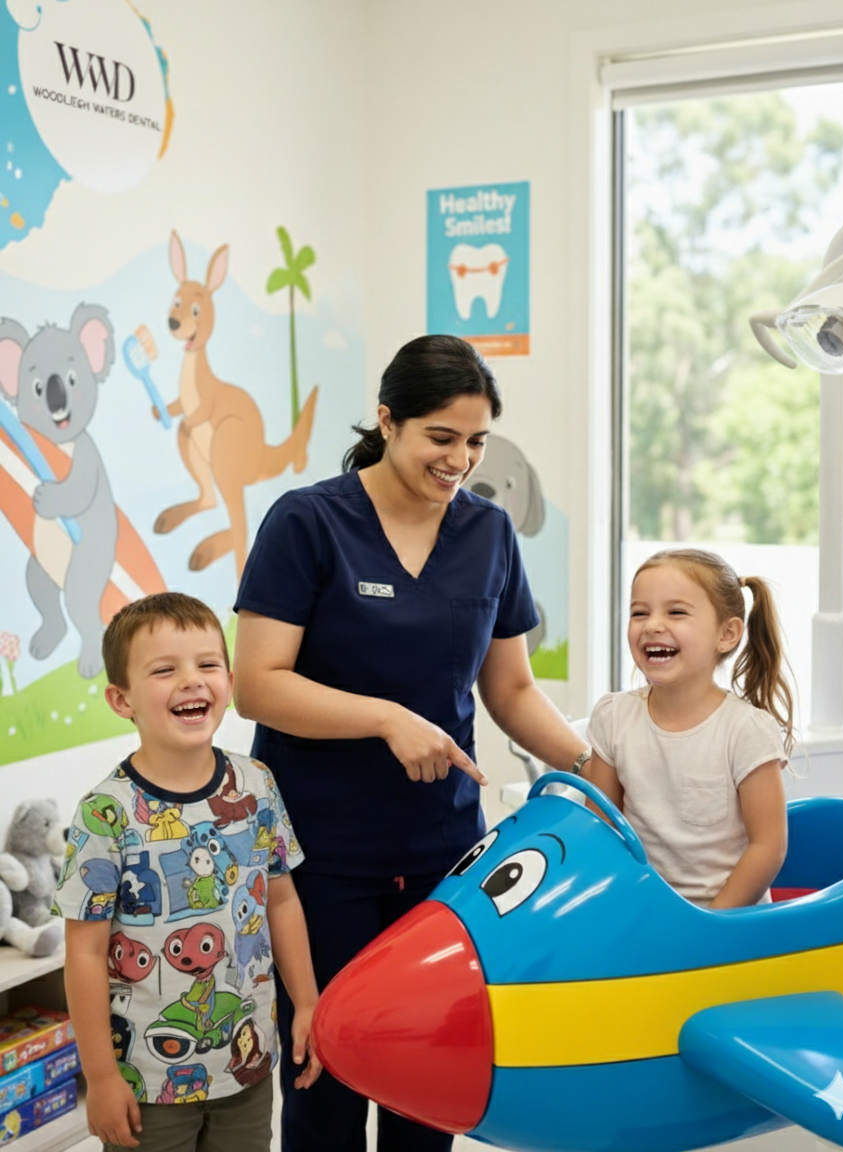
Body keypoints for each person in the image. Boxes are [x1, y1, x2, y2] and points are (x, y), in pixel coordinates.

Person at [232, 334, 591, 1152]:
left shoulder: (491, 534)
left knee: (429, 1078)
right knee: (326, 1068)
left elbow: (512, 691)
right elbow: (259, 683)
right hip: (320, 854)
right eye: (441, 437)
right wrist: (387, 717)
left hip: (442, 851)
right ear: (388, 422)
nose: (460, 458)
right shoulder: (309, 522)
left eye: (476, 441)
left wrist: (592, 767)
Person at [53, 592, 321, 1152]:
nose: (192, 681)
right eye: (164, 670)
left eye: (207, 664)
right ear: (121, 699)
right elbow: (82, 952)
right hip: (145, 1079)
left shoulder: (257, 785)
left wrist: (309, 1002)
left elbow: (281, 901)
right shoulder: (106, 813)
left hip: (245, 1060)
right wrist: (100, 1078)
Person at [583, 548, 793, 909]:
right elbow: (599, 830)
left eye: (676, 612)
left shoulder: (745, 731)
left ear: (727, 634)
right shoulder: (612, 717)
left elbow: (769, 847)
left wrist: (710, 923)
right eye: (639, 613)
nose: (652, 625)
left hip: (730, 927)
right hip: (645, 914)